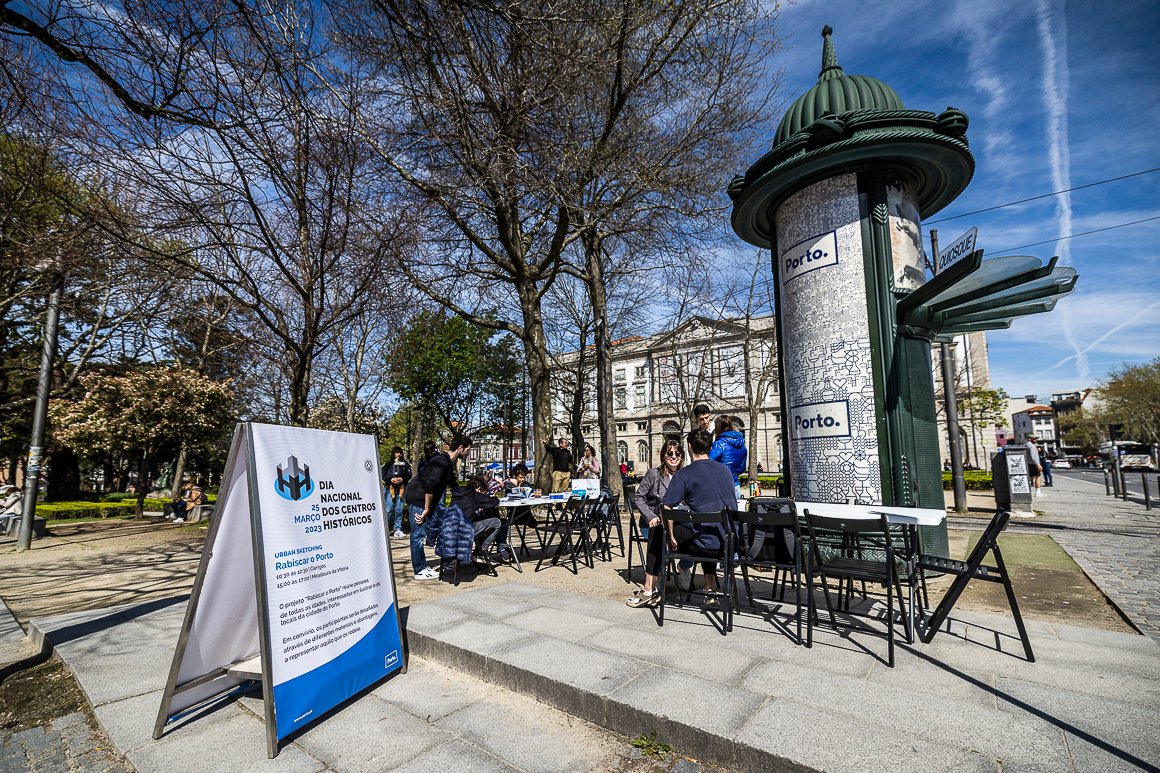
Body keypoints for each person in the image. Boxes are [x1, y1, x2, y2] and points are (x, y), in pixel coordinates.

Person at [627, 428, 737, 609]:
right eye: (669, 453)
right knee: (707, 528)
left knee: (659, 532)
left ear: (689, 447)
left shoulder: (684, 474)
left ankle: (649, 591)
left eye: (677, 453)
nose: (673, 457)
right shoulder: (725, 471)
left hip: (702, 545)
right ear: (711, 447)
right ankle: (711, 589)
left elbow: (666, 507)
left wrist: (670, 535)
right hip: (728, 544)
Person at [404, 434, 473, 580]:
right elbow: (429, 485)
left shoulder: (447, 463)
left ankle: (438, 562)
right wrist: (427, 509)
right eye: (468, 449)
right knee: (418, 534)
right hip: (418, 498)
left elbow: (454, 485)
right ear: (461, 448)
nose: (468, 453)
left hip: (423, 498)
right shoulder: (441, 461)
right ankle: (420, 570)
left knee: (437, 527)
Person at [450, 475, 502, 563]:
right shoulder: (475, 495)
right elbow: (493, 502)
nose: (483, 494)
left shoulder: (459, 493)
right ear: (478, 488)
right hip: (465, 530)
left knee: (481, 518)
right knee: (496, 522)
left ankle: (477, 552)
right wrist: (494, 497)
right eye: (483, 492)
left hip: (450, 530)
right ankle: (483, 551)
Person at [709, 416, 747, 495]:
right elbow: (742, 468)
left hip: (720, 484)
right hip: (735, 484)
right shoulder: (742, 445)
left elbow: (708, 464)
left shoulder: (718, 444)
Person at [382, 447, 412, 539]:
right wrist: (391, 479)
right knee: (388, 510)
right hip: (389, 489)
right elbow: (383, 476)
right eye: (396, 453)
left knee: (399, 509)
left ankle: (397, 529)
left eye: (400, 453)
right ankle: (385, 529)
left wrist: (402, 479)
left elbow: (409, 475)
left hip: (401, 489)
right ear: (393, 454)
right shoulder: (388, 464)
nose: (398, 455)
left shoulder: (405, 464)